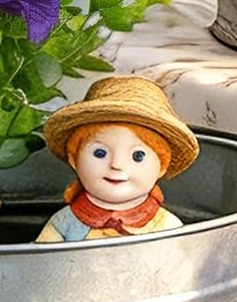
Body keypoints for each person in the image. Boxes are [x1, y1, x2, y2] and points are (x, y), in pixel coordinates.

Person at [33, 76, 198, 243]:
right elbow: (39, 261)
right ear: (74, 160)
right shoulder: (66, 222)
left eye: (137, 156)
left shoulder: (165, 225)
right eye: (100, 153)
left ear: (162, 166)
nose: (117, 165)